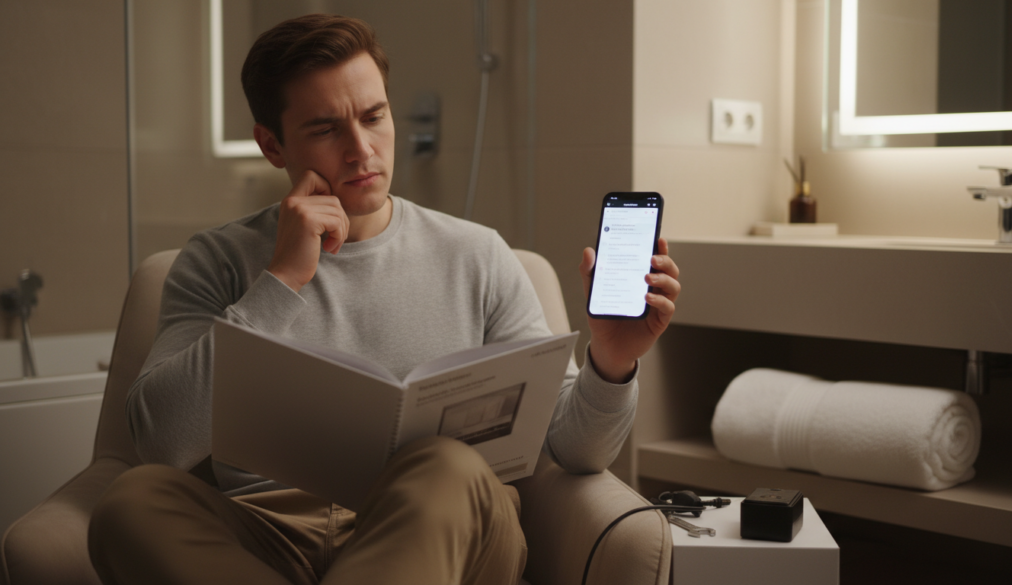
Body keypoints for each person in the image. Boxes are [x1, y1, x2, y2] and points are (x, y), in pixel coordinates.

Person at [87, 13, 680, 585]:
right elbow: (160, 442)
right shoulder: (216, 260)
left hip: (446, 524)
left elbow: (574, 453)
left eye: (374, 116)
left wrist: (612, 360)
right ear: (272, 145)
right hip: (269, 534)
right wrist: (282, 281)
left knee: (446, 465)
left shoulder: (478, 255)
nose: (361, 149)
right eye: (325, 128)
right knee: (131, 503)